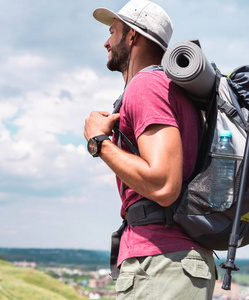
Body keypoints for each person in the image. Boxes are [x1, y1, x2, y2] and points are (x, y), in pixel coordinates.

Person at [83, 0, 216, 299]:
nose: (106, 41)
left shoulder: (147, 87)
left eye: (113, 31)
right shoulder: (167, 88)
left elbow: (164, 183)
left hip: (162, 263)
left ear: (134, 36)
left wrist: (98, 143)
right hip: (169, 262)